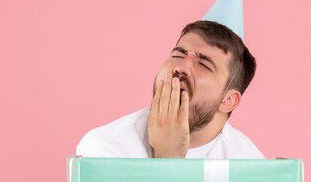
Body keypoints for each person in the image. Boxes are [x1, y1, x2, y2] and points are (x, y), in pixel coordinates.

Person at [76, 20, 263, 159]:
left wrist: (170, 158)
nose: (181, 67)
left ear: (228, 100)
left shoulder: (250, 165)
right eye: (178, 54)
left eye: (204, 64)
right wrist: (168, 158)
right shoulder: (104, 151)